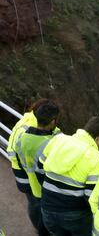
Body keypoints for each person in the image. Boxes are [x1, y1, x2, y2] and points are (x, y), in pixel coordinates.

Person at [38, 117, 99, 236]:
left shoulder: (58, 139)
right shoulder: (96, 158)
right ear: (98, 138)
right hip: (74, 215)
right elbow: (90, 196)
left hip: (47, 207)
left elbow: (39, 167)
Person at [6, 98, 60, 235]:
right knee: (36, 203)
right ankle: (39, 227)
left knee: (33, 201)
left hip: (21, 167)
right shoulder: (31, 127)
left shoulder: (27, 120)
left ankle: (38, 226)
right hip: (23, 170)